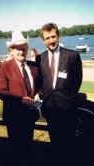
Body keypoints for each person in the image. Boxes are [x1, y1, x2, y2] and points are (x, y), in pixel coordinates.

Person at [36, 23, 83, 165]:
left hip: (68, 108)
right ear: (43, 40)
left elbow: (77, 81)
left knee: (70, 143)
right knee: (55, 141)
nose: (51, 41)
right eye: (47, 38)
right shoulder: (39, 58)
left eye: (53, 36)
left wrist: (68, 97)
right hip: (50, 108)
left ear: (58, 36)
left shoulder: (72, 56)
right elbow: (38, 80)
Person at [0, 30, 40, 166]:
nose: (21, 51)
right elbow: (0, 91)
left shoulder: (33, 67)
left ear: (26, 49)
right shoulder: (5, 66)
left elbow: (38, 86)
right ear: (11, 51)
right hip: (14, 116)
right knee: (16, 150)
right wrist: (21, 99)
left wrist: (38, 93)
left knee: (28, 146)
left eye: (23, 48)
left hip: (30, 114)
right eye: (17, 49)